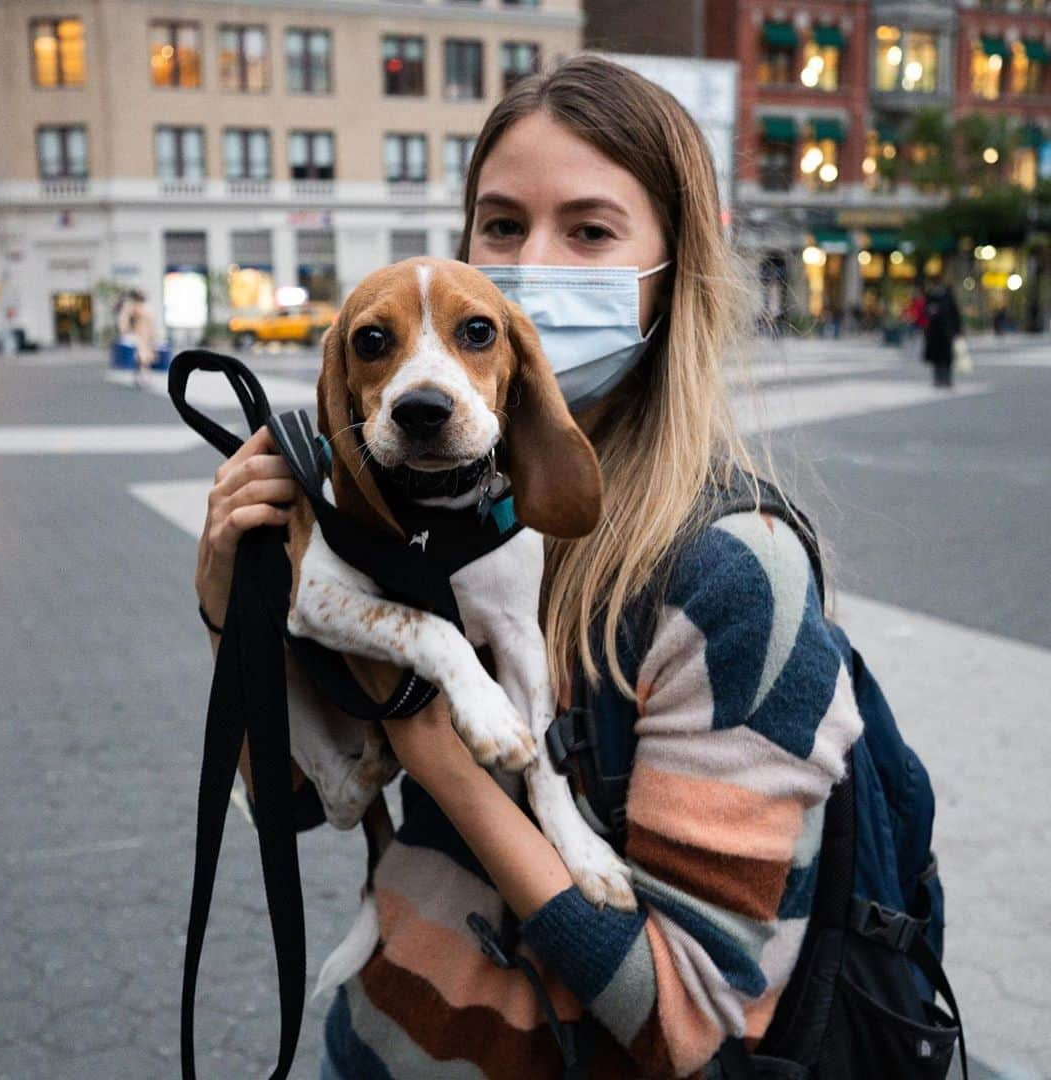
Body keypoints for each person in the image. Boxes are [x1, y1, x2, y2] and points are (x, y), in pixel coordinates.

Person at [194, 56, 863, 1078]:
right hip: (372, 1043)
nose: (532, 263)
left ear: (673, 268)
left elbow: (684, 1018)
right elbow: (291, 803)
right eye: (501, 226)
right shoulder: (427, 508)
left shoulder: (735, 573)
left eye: (589, 231)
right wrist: (232, 613)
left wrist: (425, 726)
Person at [922, 283, 962, 389]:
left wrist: (957, 330)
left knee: (945, 358)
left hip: (945, 333)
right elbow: (925, 313)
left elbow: (955, 315)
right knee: (938, 358)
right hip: (937, 334)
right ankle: (940, 378)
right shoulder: (933, 298)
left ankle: (945, 378)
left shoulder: (946, 298)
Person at [116, 288, 157, 387]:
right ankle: (143, 378)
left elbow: (152, 323)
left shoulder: (146, 308)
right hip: (138, 335)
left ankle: (142, 377)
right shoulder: (131, 307)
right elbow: (123, 320)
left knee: (146, 358)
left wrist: (154, 334)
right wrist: (126, 331)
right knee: (141, 357)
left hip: (147, 336)